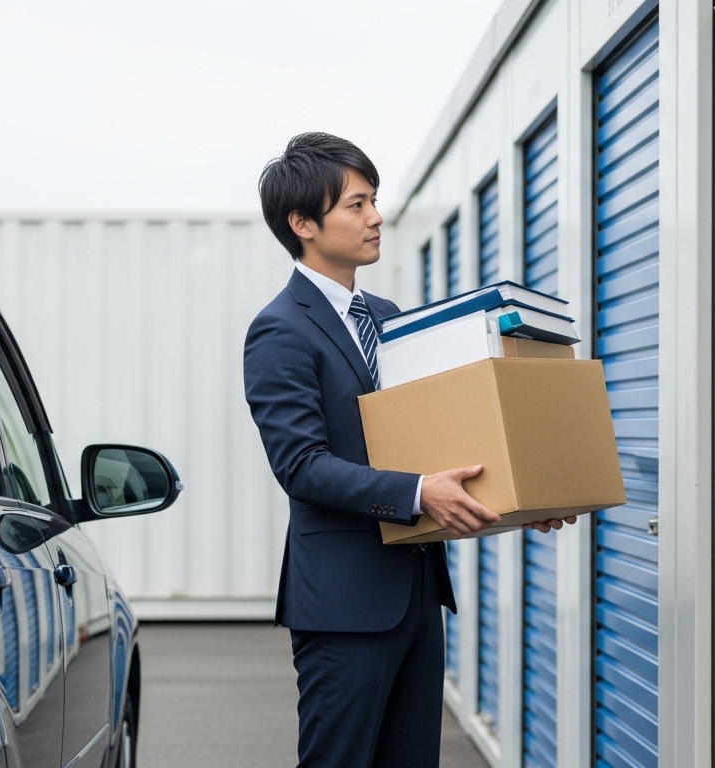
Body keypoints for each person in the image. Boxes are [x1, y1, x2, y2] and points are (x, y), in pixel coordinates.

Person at [245, 133, 576, 768]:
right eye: (356, 204)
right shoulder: (280, 329)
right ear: (302, 223)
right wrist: (420, 492)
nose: (375, 218)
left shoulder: (387, 314)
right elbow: (301, 465)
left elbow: (431, 445)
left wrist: (520, 497)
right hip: (344, 604)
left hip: (416, 594)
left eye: (375, 201)